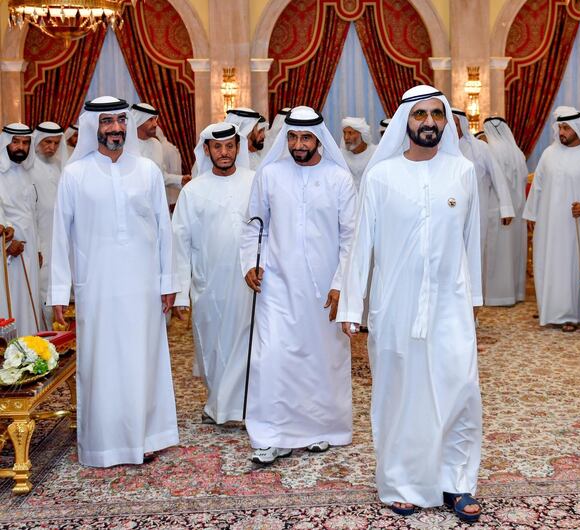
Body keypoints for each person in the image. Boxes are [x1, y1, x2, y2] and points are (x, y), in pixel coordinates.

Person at [337, 85, 483, 522]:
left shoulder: (462, 171)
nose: (429, 122)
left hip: (451, 304)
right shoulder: (381, 177)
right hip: (394, 305)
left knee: (459, 390)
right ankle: (400, 482)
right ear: (405, 121)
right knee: (399, 395)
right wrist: (351, 307)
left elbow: (472, 239)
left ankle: (456, 483)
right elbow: (361, 245)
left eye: (437, 114)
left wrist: (473, 299)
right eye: (420, 115)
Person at [49, 96, 179, 467]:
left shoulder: (148, 172)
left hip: (142, 286)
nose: (115, 129)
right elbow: (61, 236)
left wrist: (167, 280)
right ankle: (105, 444)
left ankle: (146, 437)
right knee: (102, 364)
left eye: (120, 121)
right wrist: (60, 290)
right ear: (93, 127)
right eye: (107, 122)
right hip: (98, 287)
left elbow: (162, 230)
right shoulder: (74, 175)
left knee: (144, 358)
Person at [240, 106, 357, 466]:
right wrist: (250, 262)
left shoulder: (339, 178)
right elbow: (252, 225)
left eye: (306, 137)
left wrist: (341, 284)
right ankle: (271, 433)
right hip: (277, 284)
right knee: (272, 355)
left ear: (318, 138)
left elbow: (350, 237)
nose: (298, 144)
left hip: (324, 290)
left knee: (322, 359)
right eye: (292, 136)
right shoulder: (270, 174)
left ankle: (321, 428)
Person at [172, 122, 254, 425]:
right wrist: (181, 293)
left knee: (247, 341)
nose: (224, 152)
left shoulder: (254, 181)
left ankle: (241, 407)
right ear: (207, 150)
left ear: (237, 148)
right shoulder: (193, 190)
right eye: (217, 147)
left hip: (249, 282)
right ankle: (218, 402)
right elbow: (179, 244)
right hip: (209, 283)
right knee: (213, 344)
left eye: (230, 146)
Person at [523, 107, 580, 331]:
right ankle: (548, 308)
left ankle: (570, 315)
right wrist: (532, 214)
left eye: (566, 128)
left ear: (577, 129)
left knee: (570, 266)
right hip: (548, 222)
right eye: (560, 127)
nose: (562, 132)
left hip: (576, 223)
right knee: (547, 262)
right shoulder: (549, 153)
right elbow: (537, 187)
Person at [452, 108, 514, 307]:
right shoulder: (437, 150)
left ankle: (471, 309)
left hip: (476, 215)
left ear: (461, 124)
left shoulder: (480, 148)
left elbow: (498, 178)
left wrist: (506, 208)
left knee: (473, 260)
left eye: (453, 122)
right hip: (446, 216)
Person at [0, 123, 40, 336]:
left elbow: (33, 214)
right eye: (15, 141)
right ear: (6, 143)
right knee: (14, 300)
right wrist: (7, 243)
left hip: (29, 247)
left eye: (25, 142)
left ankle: (32, 344)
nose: (21, 147)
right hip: (9, 253)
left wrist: (38, 248)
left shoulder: (26, 173)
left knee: (30, 297)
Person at [484, 116, 529, 304]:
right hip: (517, 211)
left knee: (497, 255)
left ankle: (496, 296)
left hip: (495, 208)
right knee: (514, 253)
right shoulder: (518, 152)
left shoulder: (489, 150)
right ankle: (514, 293)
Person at [31, 122, 68, 329]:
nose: (51, 147)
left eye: (55, 143)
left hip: (57, 237)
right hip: (40, 239)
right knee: (43, 289)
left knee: (55, 288)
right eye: (47, 142)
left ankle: (54, 339)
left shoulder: (57, 166)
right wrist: (35, 246)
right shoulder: (29, 167)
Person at [130, 103, 189, 207]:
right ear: (139, 121)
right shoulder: (126, 146)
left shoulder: (156, 144)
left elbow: (160, 175)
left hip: (156, 202)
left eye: (155, 119)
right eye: (150, 120)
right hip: (134, 204)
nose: (155, 124)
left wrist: (180, 179)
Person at [340, 117, 377, 189]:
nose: (346, 137)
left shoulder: (375, 153)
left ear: (362, 135)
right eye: (344, 133)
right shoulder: (340, 155)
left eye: (350, 133)